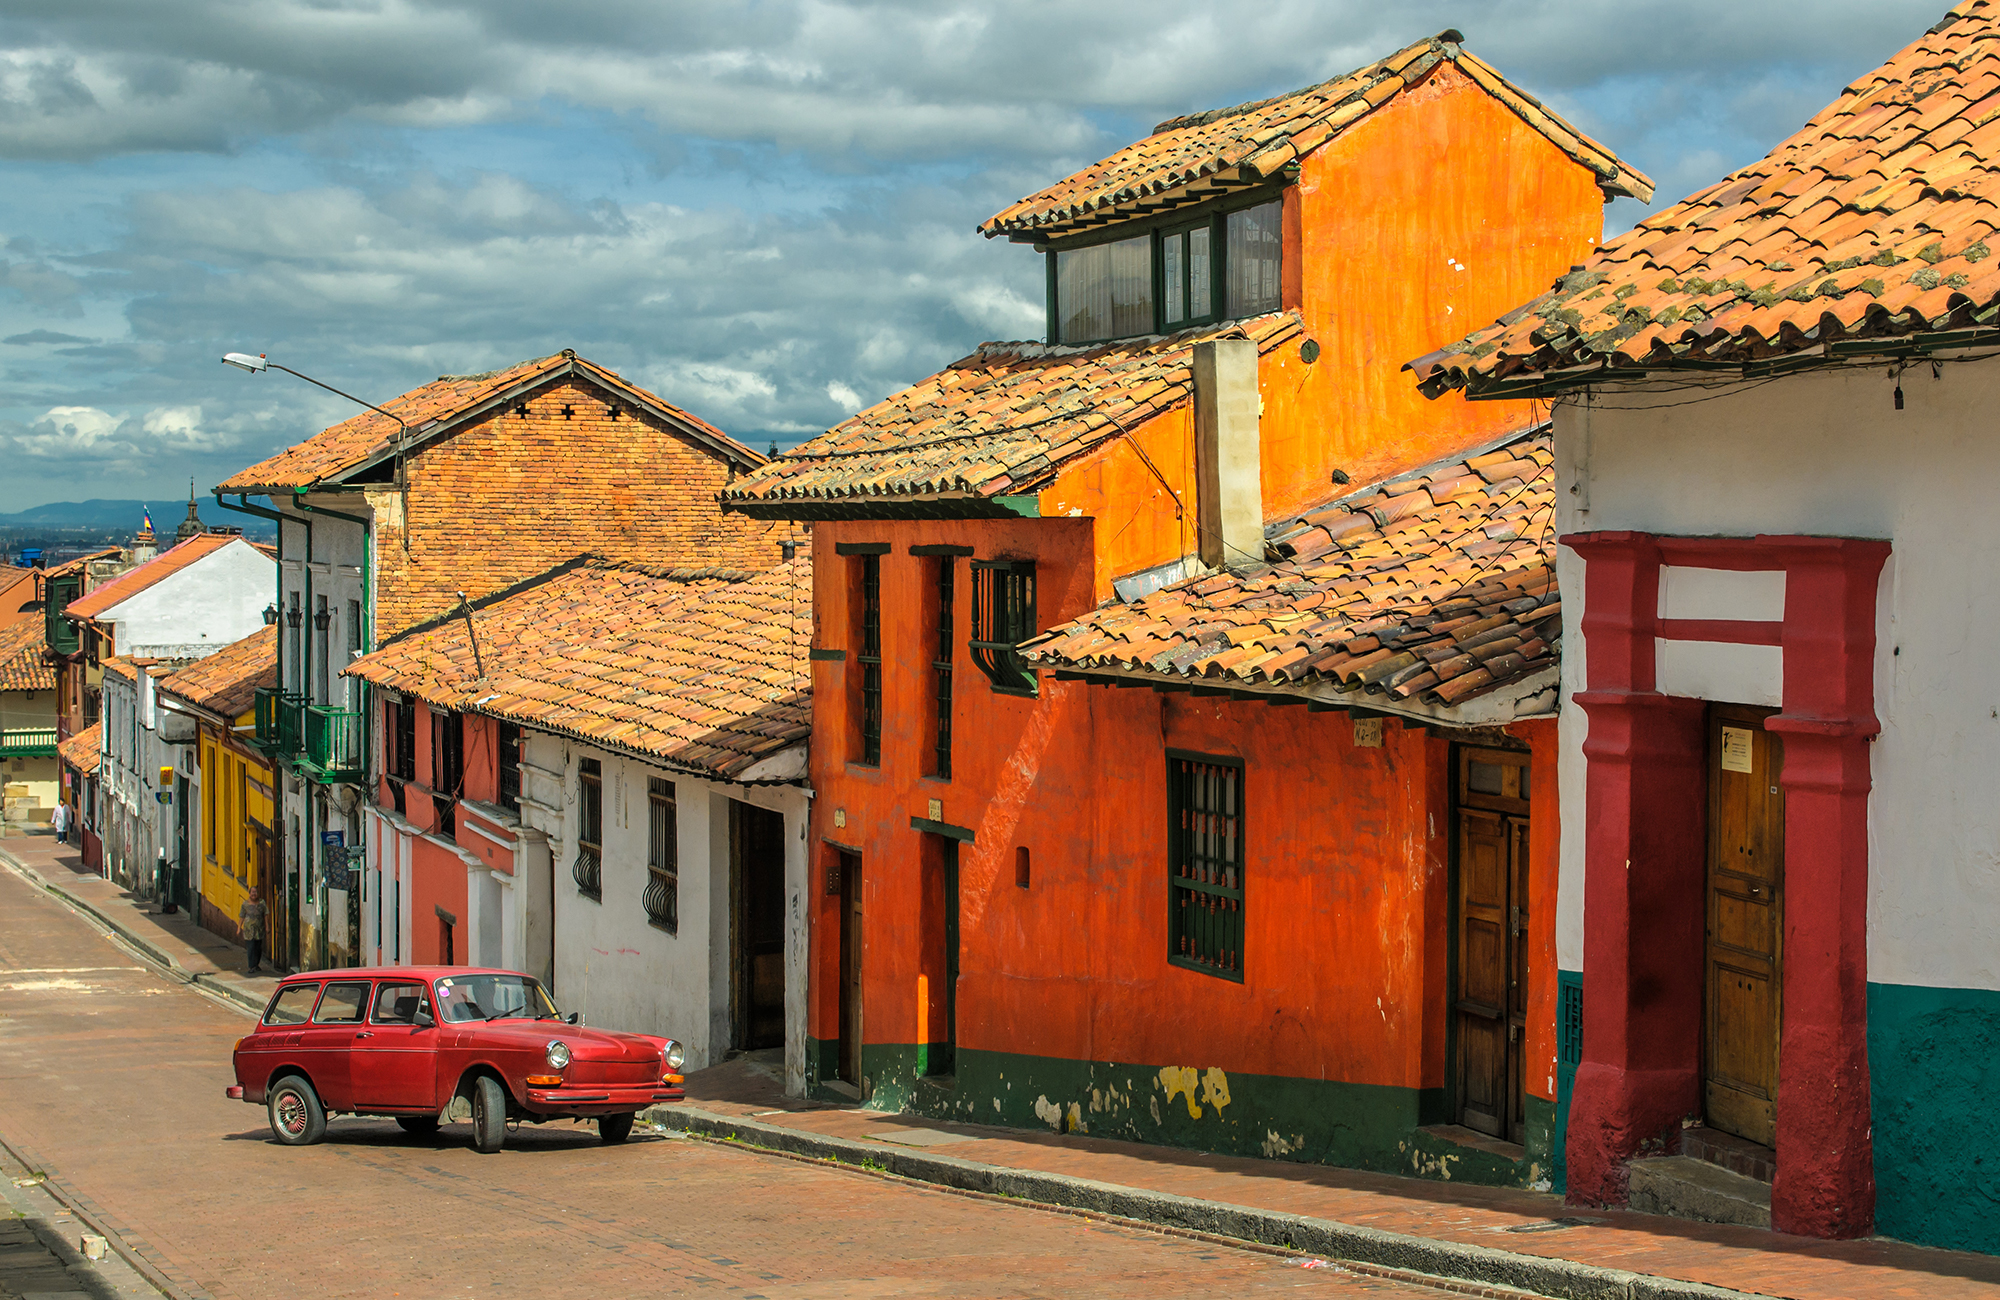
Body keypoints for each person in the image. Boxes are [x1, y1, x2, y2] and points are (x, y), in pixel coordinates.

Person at [239, 888, 268, 974]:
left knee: (258, 948)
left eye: (255, 892)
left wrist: (267, 926)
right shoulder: (245, 904)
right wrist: (238, 927)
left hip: (259, 929)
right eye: (252, 892)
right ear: (249, 893)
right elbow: (242, 916)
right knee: (250, 947)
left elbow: (266, 914)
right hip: (248, 930)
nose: (254, 894)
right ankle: (251, 966)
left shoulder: (262, 903)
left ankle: (256, 964)